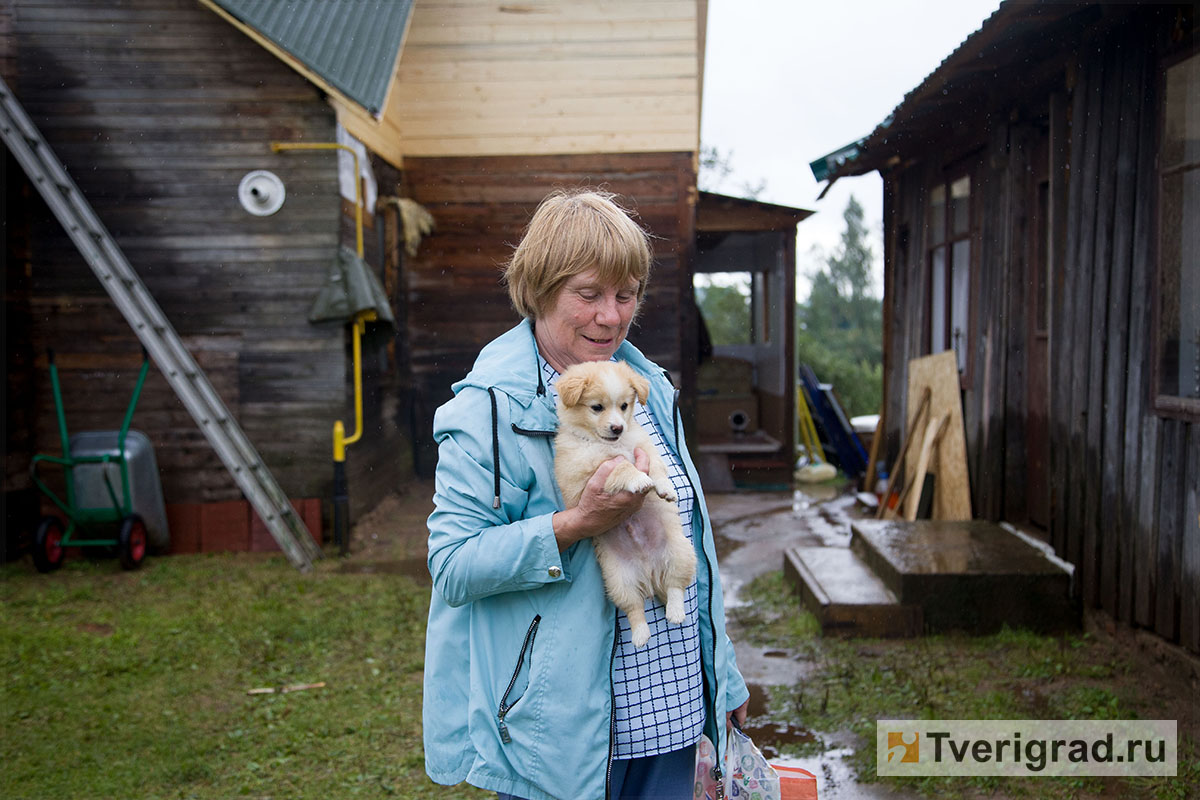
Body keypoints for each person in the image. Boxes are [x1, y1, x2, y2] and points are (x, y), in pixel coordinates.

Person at [423, 189, 749, 800]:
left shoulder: (645, 387)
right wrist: (575, 522)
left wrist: (723, 684)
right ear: (541, 290)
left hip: (673, 706)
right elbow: (453, 568)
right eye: (589, 294)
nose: (612, 316)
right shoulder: (489, 409)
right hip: (562, 730)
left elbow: (692, 546)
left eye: (625, 295)